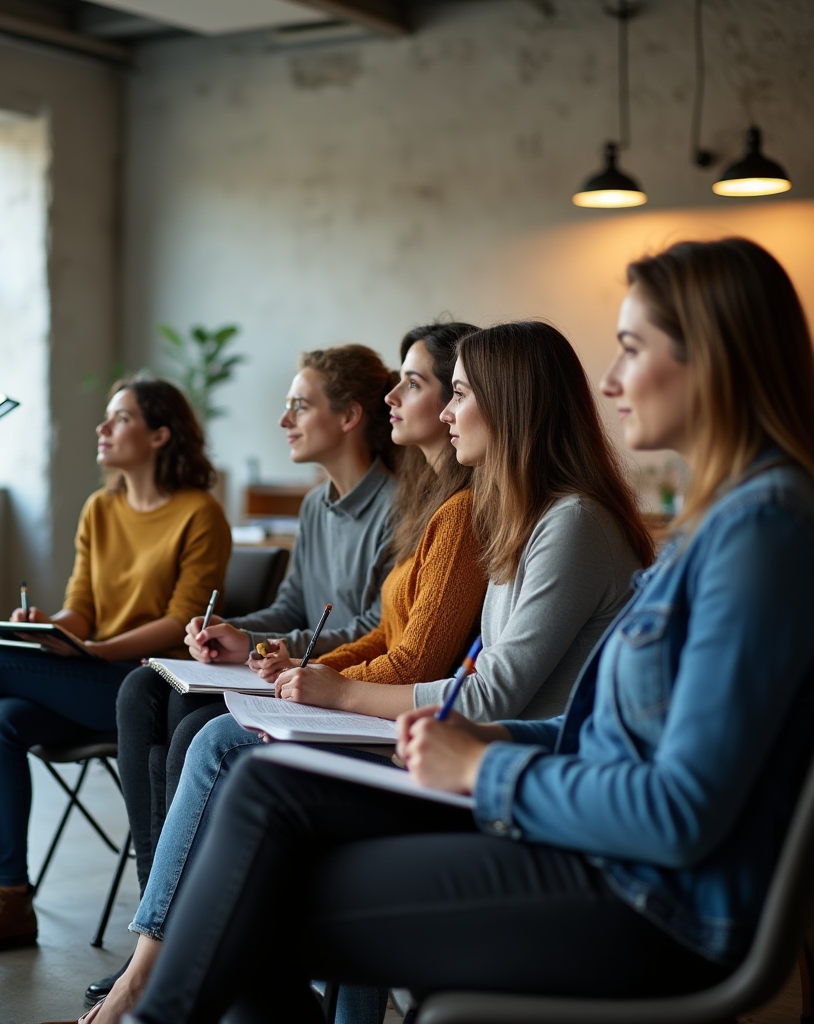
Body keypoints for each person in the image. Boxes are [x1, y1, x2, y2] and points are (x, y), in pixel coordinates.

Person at [121, 238, 814, 1024]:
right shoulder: (717, 526)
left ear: (713, 359)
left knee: (250, 882)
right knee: (261, 786)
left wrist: (483, 769)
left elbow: (680, 809)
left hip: (643, 896)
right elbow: (599, 736)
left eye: (630, 348)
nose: (612, 380)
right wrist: (473, 746)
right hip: (589, 842)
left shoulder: (762, 535)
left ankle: (150, 1007)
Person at [76, 317, 651, 1023]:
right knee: (214, 743)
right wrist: (305, 674)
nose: (443, 413)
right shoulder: (521, 520)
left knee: (230, 751)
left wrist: (340, 690)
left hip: (506, 777)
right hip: (478, 756)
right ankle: (162, 983)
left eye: (457, 394)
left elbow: (491, 692)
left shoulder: (571, 524)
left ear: (510, 406)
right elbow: (462, 665)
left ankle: (151, 990)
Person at [84, 332, 454, 1009]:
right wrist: (235, 633)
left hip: (339, 679)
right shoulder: (315, 506)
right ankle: (163, 916)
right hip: (301, 666)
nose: (283, 420)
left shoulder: (407, 505)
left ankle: (182, 935)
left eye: (298, 405)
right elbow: (291, 606)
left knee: (201, 722)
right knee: (146, 689)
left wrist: (281, 650)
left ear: (347, 417)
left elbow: (375, 629)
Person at [0, 377, 231, 956]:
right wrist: (49, 625)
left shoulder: (200, 513)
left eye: (119, 419)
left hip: (145, 688)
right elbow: (84, 608)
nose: (102, 428)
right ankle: (12, 899)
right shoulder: (100, 508)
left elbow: (179, 622)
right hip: (90, 672)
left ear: (161, 435)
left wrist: (91, 651)